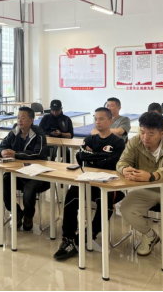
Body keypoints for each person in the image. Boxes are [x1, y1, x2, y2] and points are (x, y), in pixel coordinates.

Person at [117, 112, 163, 265]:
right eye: (142, 132)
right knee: (126, 208)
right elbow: (122, 162)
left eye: (151, 134)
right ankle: (150, 235)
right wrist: (124, 169)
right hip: (148, 189)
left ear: (162, 133)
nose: (145, 137)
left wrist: (152, 176)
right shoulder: (135, 141)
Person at [54, 108, 125, 261]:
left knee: (105, 202)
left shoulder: (118, 142)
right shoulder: (89, 139)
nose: (97, 122)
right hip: (88, 180)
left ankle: (88, 235)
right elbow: (81, 158)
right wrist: (100, 158)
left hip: (110, 183)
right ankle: (68, 238)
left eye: (101, 119)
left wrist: (92, 157)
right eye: (95, 119)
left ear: (110, 121)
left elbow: (113, 164)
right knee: (71, 197)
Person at [0, 107, 48, 232]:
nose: (19, 120)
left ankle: (28, 215)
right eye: (18, 117)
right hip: (18, 172)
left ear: (31, 120)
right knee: (4, 180)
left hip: (37, 175)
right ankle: (16, 212)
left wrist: (16, 154)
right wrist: (2, 151)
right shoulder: (14, 131)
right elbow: (1, 146)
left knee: (29, 188)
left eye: (23, 118)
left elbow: (39, 154)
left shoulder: (38, 133)